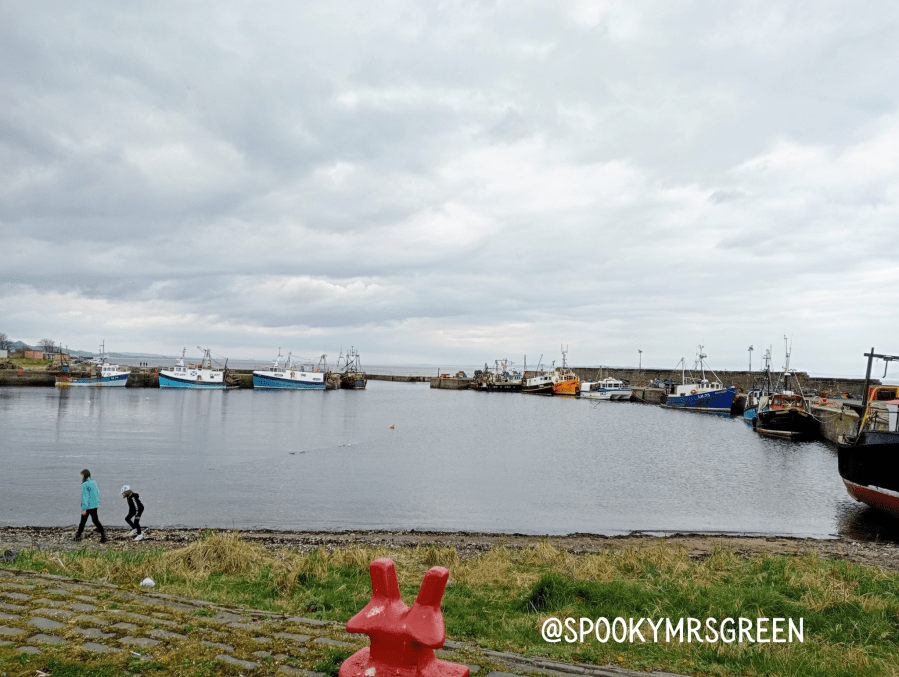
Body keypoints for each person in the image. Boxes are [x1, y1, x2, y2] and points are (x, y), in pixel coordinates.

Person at [75, 469, 107, 543]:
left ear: (84, 475)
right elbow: (96, 494)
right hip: (95, 505)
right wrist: (96, 503)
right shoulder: (94, 482)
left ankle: (77, 536)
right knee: (95, 520)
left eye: (81, 475)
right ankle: (103, 535)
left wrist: (83, 508)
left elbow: (84, 497)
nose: (81, 477)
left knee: (83, 522)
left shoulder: (84, 484)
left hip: (88, 506)